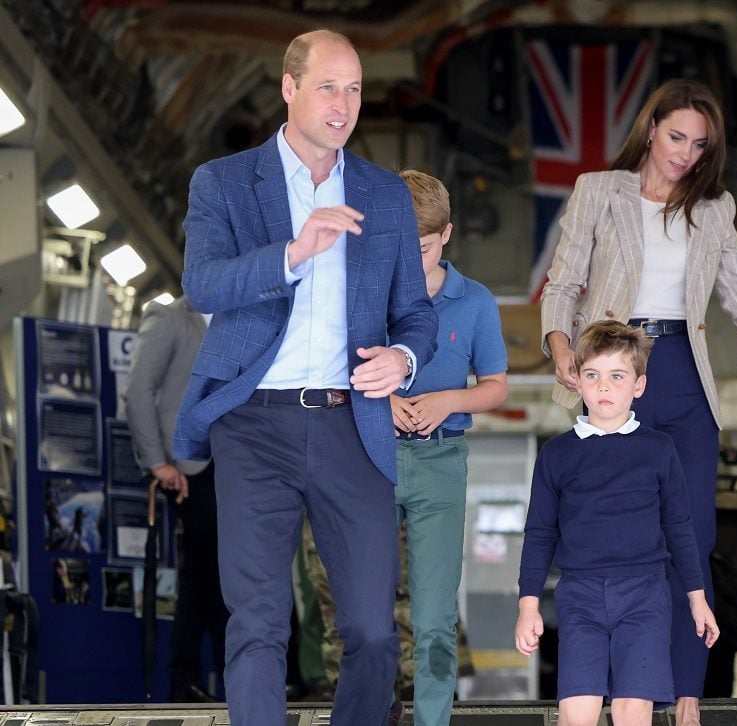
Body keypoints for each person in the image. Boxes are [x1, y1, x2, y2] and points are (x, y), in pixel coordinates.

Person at [539, 78, 737, 721]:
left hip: (682, 374)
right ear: (651, 128)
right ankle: (605, 695)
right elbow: (563, 284)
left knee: (692, 536)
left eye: (699, 144)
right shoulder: (599, 190)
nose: (684, 153)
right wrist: (561, 350)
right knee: (608, 535)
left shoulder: (714, 209)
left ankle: (685, 694)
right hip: (613, 371)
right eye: (676, 136)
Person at [172, 29, 438, 726]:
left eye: (354, 89)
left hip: (353, 424)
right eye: (328, 86)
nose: (343, 103)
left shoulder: (384, 195)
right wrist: (291, 252)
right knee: (258, 623)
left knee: (375, 635)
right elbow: (201, 283)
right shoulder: (224, 182)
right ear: (289, 89)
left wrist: (402, 358)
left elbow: (415, 313)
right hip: (253, 425)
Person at [515, 320, 719, 726]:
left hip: (645, 596)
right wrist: (528, 606)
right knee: (577, 712)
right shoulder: (557, 455)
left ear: (638, 386)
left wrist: (697, 599)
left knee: (632, 712)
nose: (604, 387)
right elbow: (539, 533)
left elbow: (680, 526)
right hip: (579, 598)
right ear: (578, 382)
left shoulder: (659, 449)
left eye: (617, 376)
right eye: (592, 375)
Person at [388, 169, 508, 726]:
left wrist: (446, 402)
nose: (411, 259)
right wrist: (381, 402)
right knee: (365, 613)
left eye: (425, 246)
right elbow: (337, 367)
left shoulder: (475, 301)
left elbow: (496, 386)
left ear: (448, 235)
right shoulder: (369, 291)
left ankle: (432, 720)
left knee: (433, 615)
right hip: (371, 457)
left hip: (440, 460)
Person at [125, 295, 230, 702]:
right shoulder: (169, 317)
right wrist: (158, 463)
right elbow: (138, 392)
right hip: (188, 470)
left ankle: (186, 681)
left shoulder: (238, 316)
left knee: (204, 578)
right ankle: (201, 679)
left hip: (231, 466)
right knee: (214, 577)